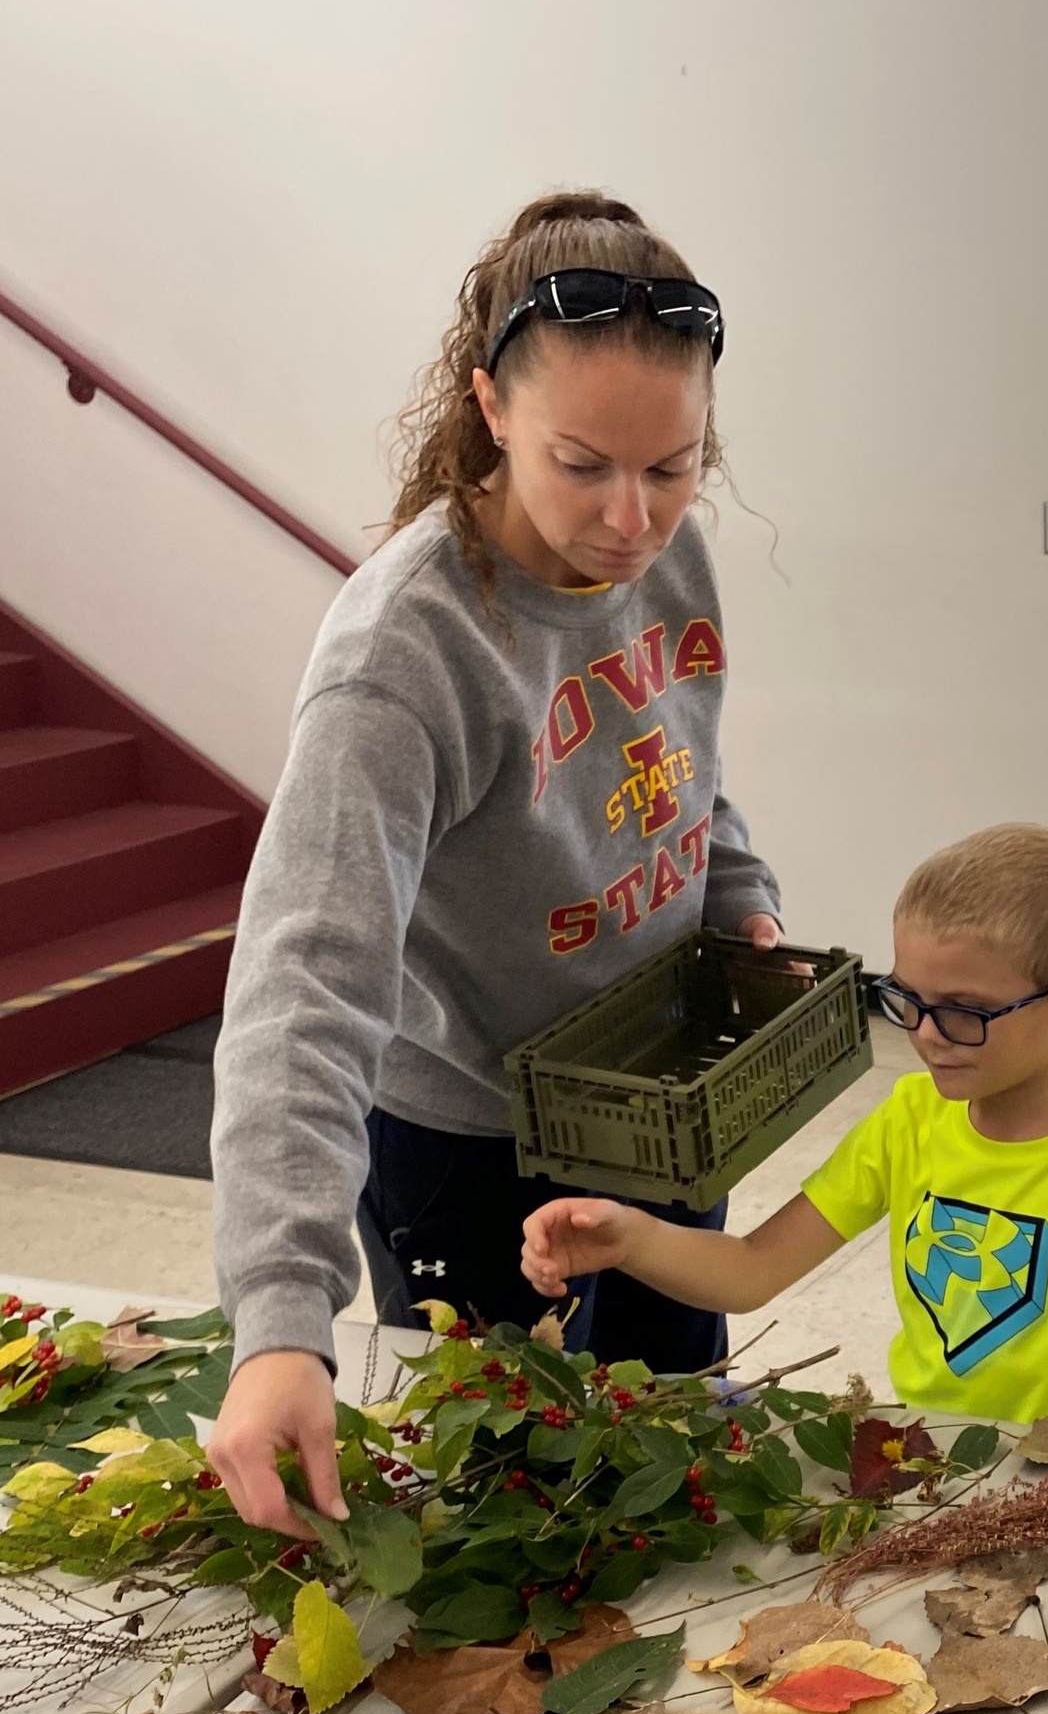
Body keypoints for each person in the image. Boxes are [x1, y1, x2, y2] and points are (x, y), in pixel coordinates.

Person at [207, 192, 783, 1536]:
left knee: (671, 1455)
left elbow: (671, 739)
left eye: (674, 466)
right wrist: (281, 1318)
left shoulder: (668, 547)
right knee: (511, 1513)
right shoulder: (402, 657)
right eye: (584, 466)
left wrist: (736, 895)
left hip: (653, 1087)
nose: (634, 517)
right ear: (490, 407)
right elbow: (305, 985)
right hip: (471, 1144)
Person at [522, 823, 1048, 1450]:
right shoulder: (907, 1118)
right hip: (922, 1458)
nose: (927, 1036)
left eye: (966, 1011)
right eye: (909, 1000)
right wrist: (633, 1239)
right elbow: (750, 1270)